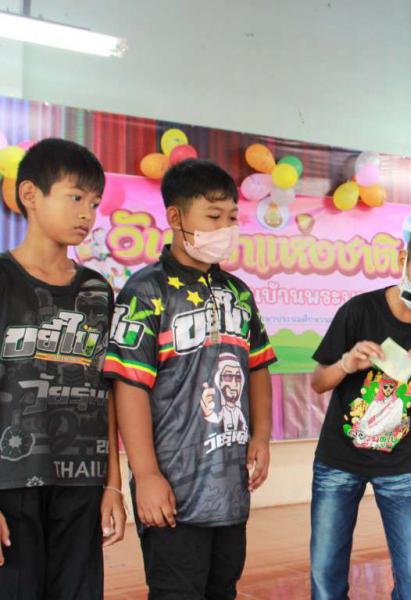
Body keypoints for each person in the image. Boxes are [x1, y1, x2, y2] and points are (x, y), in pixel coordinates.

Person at [105, 159, 276, 599]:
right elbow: (129, 386)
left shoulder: (238, 292)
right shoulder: (146, 292)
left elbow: (257, 366)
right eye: (213, 217)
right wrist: (145, 474)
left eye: (232, 218)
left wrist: (261, 435)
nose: (226, 229)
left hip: (230, 489)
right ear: (176, 217)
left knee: (223, 589)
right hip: (172, 492)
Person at [308, 218, 411, 599]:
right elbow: (318, 382)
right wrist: (347, 363)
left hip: (401, 464)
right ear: (403, 260)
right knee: (326, 576)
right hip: (338, 460)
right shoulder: (359, 310)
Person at [0, 138, 126, 600]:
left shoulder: (97, 290)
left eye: (94, 203)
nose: (87, 214)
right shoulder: (4, 279)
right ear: (30, 195)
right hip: (11, 482)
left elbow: (106, 391)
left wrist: (113, 485)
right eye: (75, 197)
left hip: (82, 481)